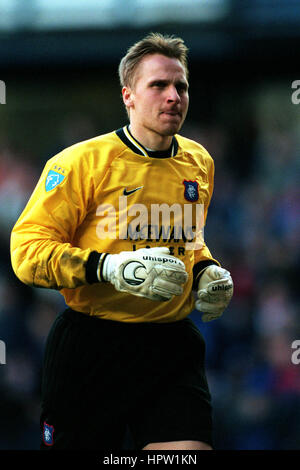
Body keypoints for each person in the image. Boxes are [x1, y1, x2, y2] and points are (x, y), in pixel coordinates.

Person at [10, 32, 233, 451]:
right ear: (128, 96)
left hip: (171, 346)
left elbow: (190, 241)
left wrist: (206, 271)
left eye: (180, 86)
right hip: (92, 346)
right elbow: (26, 251)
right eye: (159, 86)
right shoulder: (79, 163)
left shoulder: (199, 162)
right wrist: (108, 268)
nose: (173, 96)